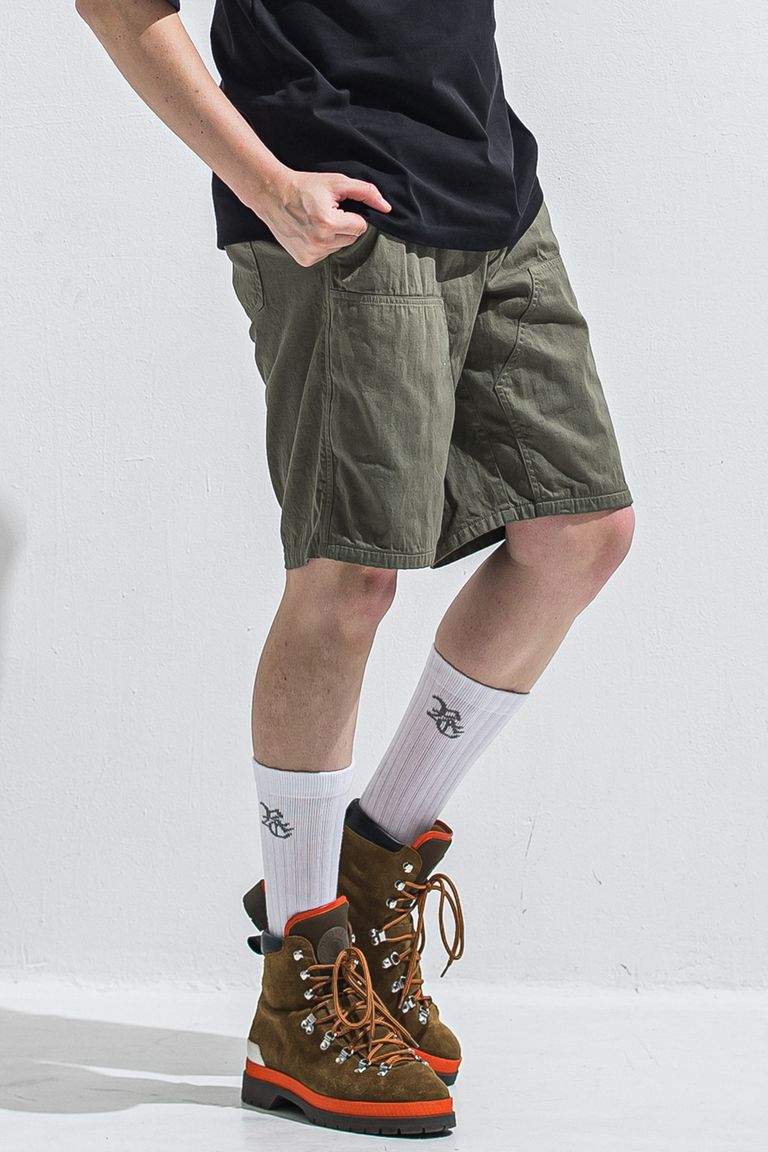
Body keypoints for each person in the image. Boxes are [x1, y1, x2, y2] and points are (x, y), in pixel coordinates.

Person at [76, 0, 635, 1136]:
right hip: (336, 203)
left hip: (490, 182)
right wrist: (268, 186)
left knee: (581, 534)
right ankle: (299, 980)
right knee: (349, 581)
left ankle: (370, 866)